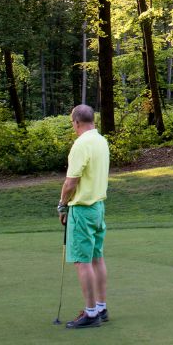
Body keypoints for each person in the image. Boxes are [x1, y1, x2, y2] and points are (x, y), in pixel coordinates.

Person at [58, 104, 110, 328]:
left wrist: (62, 205)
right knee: (97, 258)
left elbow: (71, 182)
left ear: (76, 122)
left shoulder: (81, 144)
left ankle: (90, 313)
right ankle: (101, 307)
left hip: (82, 209)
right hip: (98, 207)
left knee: (82, 261)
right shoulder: (101, 140)